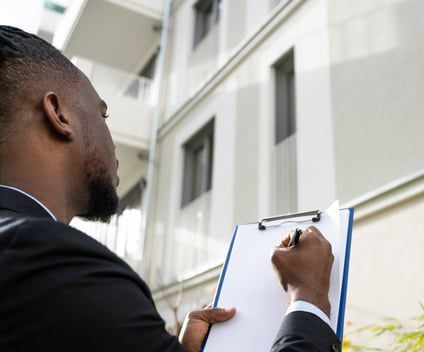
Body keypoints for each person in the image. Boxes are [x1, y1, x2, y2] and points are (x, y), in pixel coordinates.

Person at [0, 26, 340, 351]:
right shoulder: (55, 264)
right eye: (102, 115)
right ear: (59, 114)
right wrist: (308, 298)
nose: (111, 139)